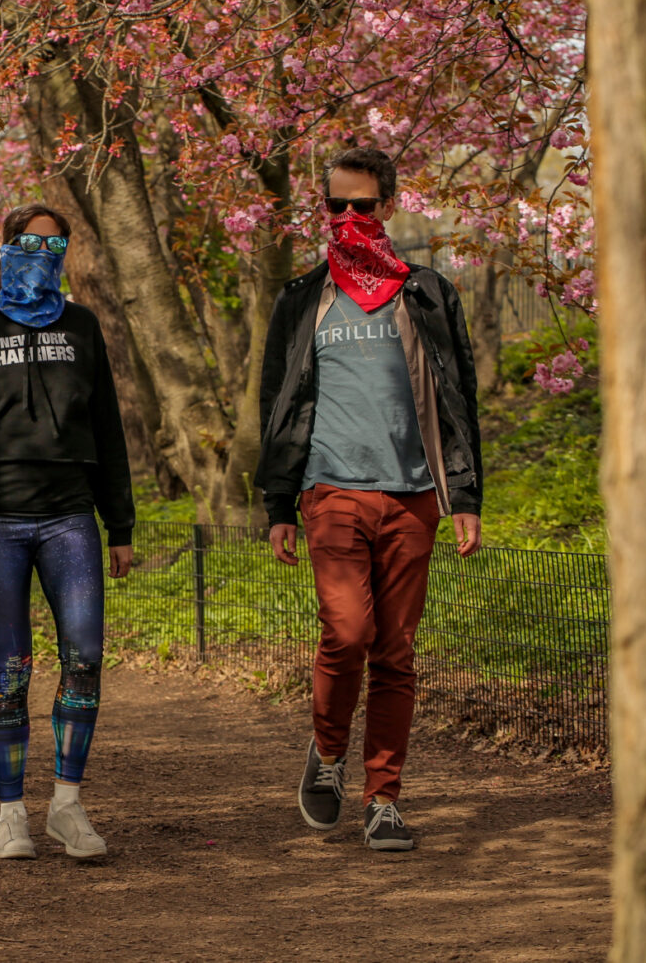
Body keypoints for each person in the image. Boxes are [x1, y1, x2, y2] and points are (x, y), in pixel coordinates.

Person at [256, 147, 484, 852]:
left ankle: (383, 798)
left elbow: (457, 399)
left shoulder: (427, 293)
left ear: (388, 206)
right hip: (332, 491)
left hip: (414, 495)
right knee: (347, 633)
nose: (349, 217)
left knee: (395, 652)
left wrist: (465, 495)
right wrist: (277, 504)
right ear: (324, 211)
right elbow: (280, 404)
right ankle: (327, 754)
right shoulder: (301, 300)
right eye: (336, 206)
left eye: (363, 205)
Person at [0, 203, 135, 860]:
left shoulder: (81, 325)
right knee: (9, 671)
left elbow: (107, 429)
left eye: (55, 244)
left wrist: (119, 523)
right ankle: (11, 813)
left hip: (71, 518)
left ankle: (67, 807)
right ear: (7, 247)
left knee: (84, 659)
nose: (42, 253)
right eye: (29, 242)